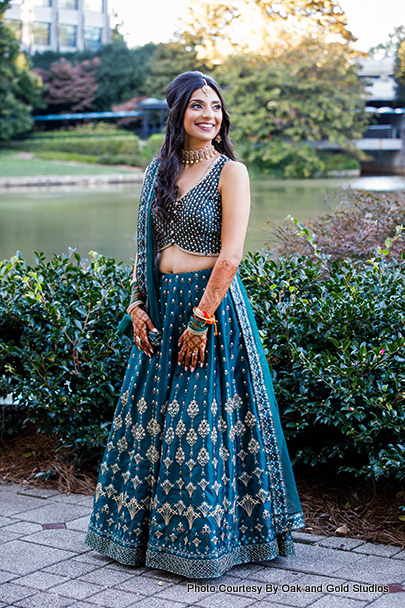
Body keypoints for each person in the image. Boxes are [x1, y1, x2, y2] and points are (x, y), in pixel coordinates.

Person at [85, 71, 304, 579]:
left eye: (216, 107)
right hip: (161, 308)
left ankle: (212, 543)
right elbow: (145, 245)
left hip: (212, 309)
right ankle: (143, 540)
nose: (210, 115)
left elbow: (230, 255)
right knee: (152, 425)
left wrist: (201, 320)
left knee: (199, 426)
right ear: (178, 114)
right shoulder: (156, 171)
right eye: (197, 107)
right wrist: (136, 305)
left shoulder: (232, 172)